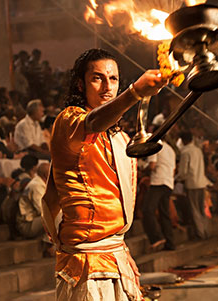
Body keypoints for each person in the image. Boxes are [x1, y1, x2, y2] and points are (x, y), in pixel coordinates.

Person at [41, 48, 167, 301]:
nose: (107, 87)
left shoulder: (120, 137)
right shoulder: (69, 121)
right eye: (97, 78)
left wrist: (121, 249)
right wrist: (134, 93)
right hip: (85, 261)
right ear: (81, 84)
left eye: (113, 79)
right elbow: (93, 123)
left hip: (117, 253)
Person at [141, 132, 177, 251]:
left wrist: (143, 168)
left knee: (147, 209)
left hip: (158, 181)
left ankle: (156, 238)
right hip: (168, 182)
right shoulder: (171, 149)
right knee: (164, 213)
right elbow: (173, 169)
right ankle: (170, 243)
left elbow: (152, 165)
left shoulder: (155, 145)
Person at [177, 131, 211, 240]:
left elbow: (183, 172)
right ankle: (206, 231)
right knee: (201, 208)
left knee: (195, 209)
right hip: (201, 182)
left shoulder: (185, 152)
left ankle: (200, 233)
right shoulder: (198, 150)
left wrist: (177, 179)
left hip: (192, 184)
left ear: (183, 140)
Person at [16, 162, 50, 238]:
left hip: (35, 220)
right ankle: (49, 247)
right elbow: (42, 210)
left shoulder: (43, 184)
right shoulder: (36, 186)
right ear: (46, 175)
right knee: (56, 218)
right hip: (27, 224)